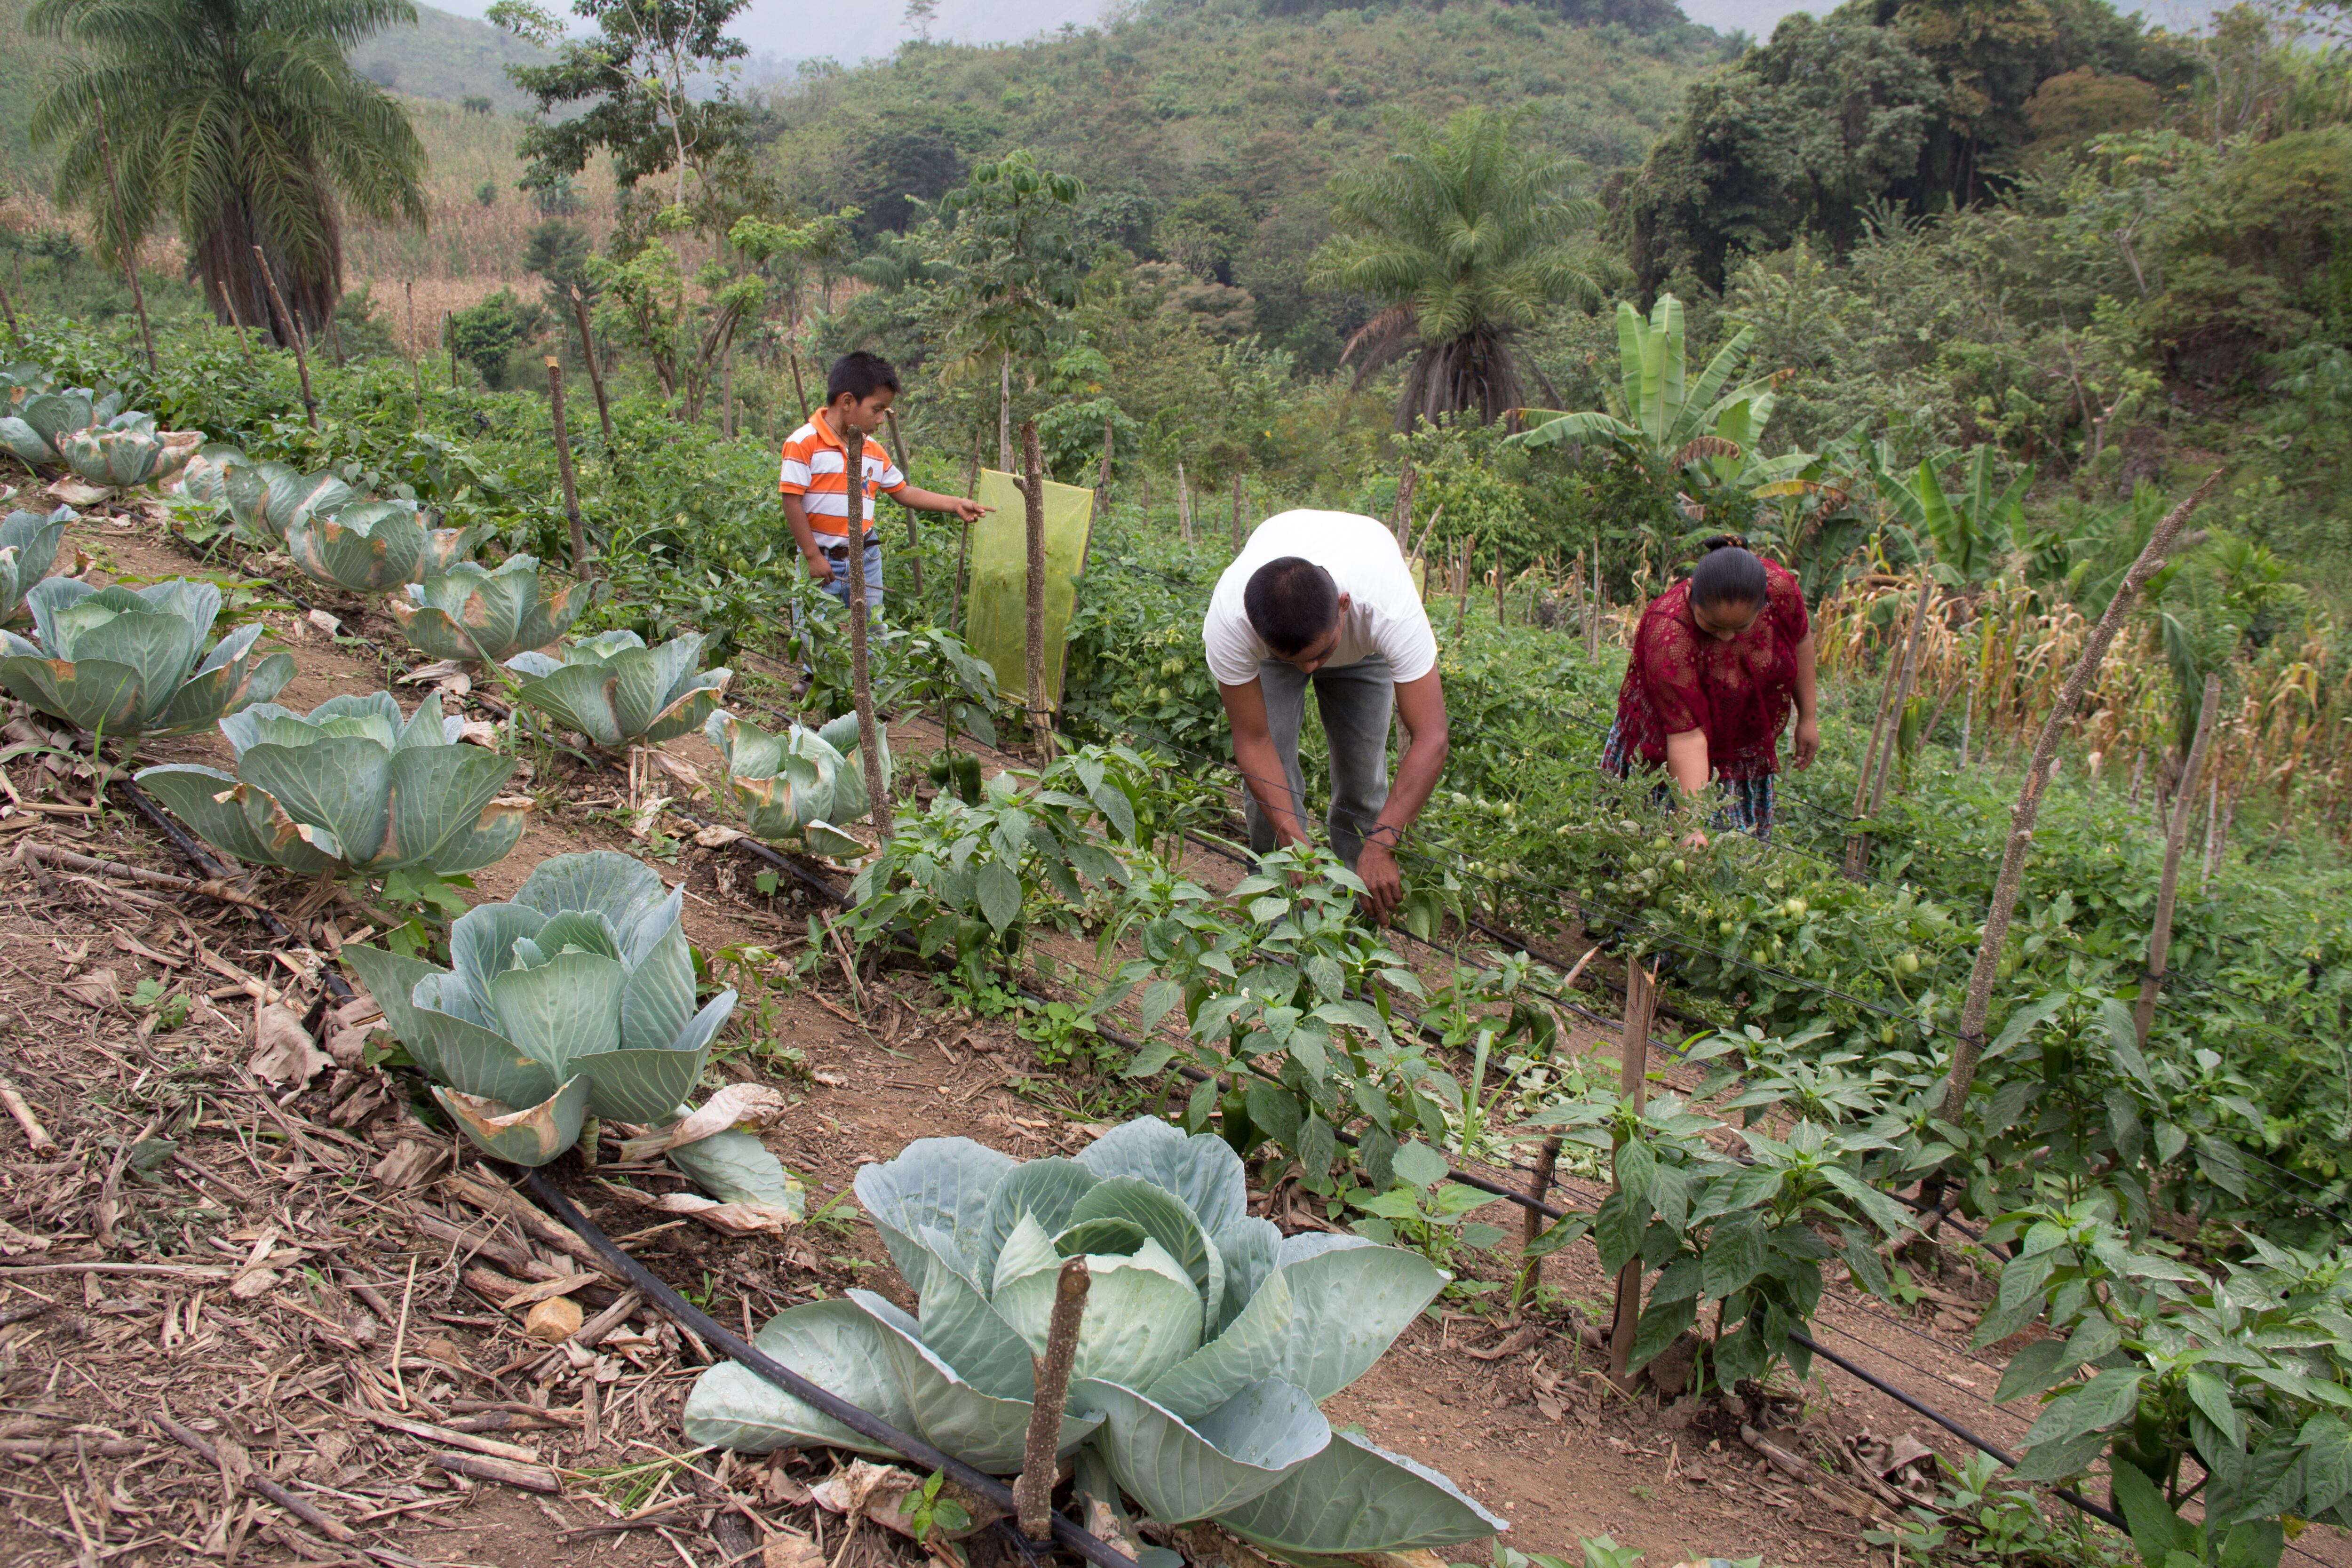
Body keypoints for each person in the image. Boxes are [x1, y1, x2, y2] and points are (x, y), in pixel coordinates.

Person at [1202, 509, 1449, 919]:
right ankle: (1277, 919)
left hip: (1362, 649)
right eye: (1296, 661)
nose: (1309, 670)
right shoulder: (1232, 621)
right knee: (1269, 792)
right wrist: (1294, 842)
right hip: (1282, 644)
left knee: (1363, 783)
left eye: (1319, 656)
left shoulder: (1386, 606)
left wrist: (1383, 843)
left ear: (1343, 605)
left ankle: (1356, 928)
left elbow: (1432, 738)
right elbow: (1255, 742)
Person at [1603, 535, 1819, 845]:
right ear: (1691, 593)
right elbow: (1688, 737)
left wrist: (1808, 716)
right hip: (1672, 762)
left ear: (1763, 603)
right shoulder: (1669, 635)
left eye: (1741, 627)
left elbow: (1800, 640)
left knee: (1731, 874)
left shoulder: (1781, 590)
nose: (1728, 637)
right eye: (1713, 626)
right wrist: (1690, 822)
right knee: (1650, 859)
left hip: (1740, 744)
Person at [778, 351, 989, 612]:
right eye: (876, 410)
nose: (881, 419)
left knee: (874, 635)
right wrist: (811, 556)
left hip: (866, 559)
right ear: (847, 401)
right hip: (822, 559)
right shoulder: (803, 443)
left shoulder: (873, 450)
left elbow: (903, 491)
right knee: (814, 636)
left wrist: (955, 504)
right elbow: (791, 501)